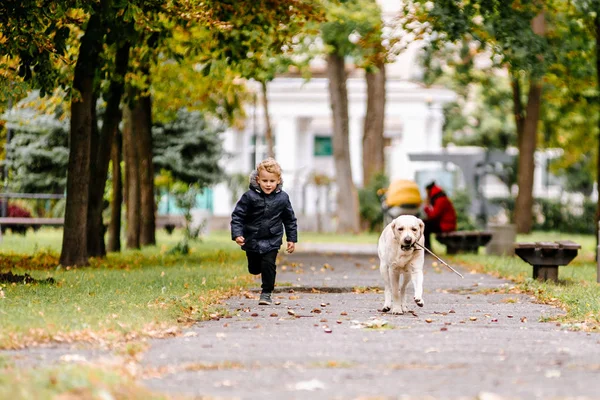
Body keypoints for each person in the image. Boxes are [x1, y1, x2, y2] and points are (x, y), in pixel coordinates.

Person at [231, 158, 298, 305]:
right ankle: (255, 267)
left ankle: (266, 293)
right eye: (265, 180)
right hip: (252, 238)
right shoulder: (249, 197)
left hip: (272, 238)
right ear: (258, 180)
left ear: (278, 180)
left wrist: (291, 239)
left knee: (269, 264)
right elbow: (238, 216)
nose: (268, 184)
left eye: (272, 181)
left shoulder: (283, 198)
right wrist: (237, 234)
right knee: (255, 269)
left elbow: (289, 219)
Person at [422, 181, 457, 250]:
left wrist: (426, 207)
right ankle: (427, 247)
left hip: (446, 225)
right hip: (444, 224)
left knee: (424, 225)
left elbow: (433, 215)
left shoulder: (441, 200)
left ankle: (427, 248)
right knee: (425, 223)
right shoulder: (440, 198)